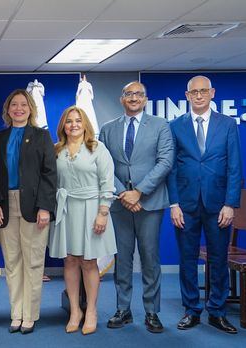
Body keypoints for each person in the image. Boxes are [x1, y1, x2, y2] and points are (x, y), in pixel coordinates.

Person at [167, 75, 242, 334]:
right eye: (193, 92)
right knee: (187, 260)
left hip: (218, 204)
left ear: (212, 93)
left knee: (218, 260)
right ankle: (191, 310)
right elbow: (172, 169)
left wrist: (231, 203)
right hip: (185, 205)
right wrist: (173, 203)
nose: (198, 96)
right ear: (187, 96)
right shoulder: (175, 126)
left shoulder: (228, 124)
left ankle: (217, 311)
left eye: (203, 91)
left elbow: (234, 166)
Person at [99, 81, 174, 333]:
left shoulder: (160, 126)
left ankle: (152, 312)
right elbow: (104, 165)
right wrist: (124, 193)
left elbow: (165, 161)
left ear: (145, 99)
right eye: (129, 94)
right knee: (123, 259)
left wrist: (139, 192)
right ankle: (123, 309)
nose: (134, 98)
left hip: (149, 203)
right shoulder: (107, 129)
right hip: (120, 204)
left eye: (138, 94)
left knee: (150, 258)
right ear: (122, 99)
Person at [0, 89, 56, 334]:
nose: (19, 108)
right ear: (8, 109)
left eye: (23, 105)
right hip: (6, 205)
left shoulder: (41, 136)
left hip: (34, 206)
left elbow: (50, 174)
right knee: (12, 263)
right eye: (14, 105)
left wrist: (45, 207)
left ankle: (30, 314)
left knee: (33, 262)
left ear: (30, 109)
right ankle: (16, 313)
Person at [48, 106, 116, 335]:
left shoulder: (98, 148)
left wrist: (103, 212)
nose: (74, 125)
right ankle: (75, 310)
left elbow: (107, 183)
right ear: (63, 126)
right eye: (69, 121)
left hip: (91, 210)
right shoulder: (57, 150)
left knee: (88, 262)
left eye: (78, 120)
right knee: (69, 260)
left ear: (85, 124)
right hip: (66, 210)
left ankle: (92, 311)